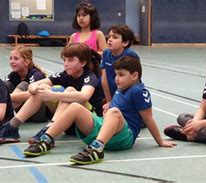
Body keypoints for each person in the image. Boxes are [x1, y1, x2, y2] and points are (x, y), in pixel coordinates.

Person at [22, 56, 175, 164]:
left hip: (123, 137)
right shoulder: (121, 89)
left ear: (135, 76)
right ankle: (46, 140)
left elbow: (148, 118)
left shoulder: (139, 91)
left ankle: (96, 150)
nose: (116, 79)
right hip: (104, 128)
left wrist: (160, 141)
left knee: (114, 112)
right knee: (75, 106)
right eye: (116, 75)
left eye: (121, 75)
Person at [0, 43, 104, 144]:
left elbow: (84, 96)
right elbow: (35, 84)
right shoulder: (64, 75)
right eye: (64, 60)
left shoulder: (89, 76)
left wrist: (53, 95)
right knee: (42, 88)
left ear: (83, 63)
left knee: (69, 91)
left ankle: (49, 130)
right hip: (69, 125)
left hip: (89, 124)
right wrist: (33, 88)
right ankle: (12, 127)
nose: (66, 64)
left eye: (70, 60)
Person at [4, 46, 48, 122]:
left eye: (16, 58)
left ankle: (4, 115)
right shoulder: (12, 75)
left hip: (38, 114)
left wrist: (7, 97)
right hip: (22, 113)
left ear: (27, 62)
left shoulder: (36, 75)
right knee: (5, 84)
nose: (12, 61)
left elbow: (36, 96)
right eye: (11, 58)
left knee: (24, 84)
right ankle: (2, 115)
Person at [101, 24, 140, 107]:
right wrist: (109, 100)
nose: (109, 40)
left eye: (115, 37)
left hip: (128, 96)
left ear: (125, 42)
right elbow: (104, 80)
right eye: (109, 36)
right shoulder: (106, 53)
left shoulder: (130, 55)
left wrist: (115, 102)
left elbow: (132, 82)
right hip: (113, 94)